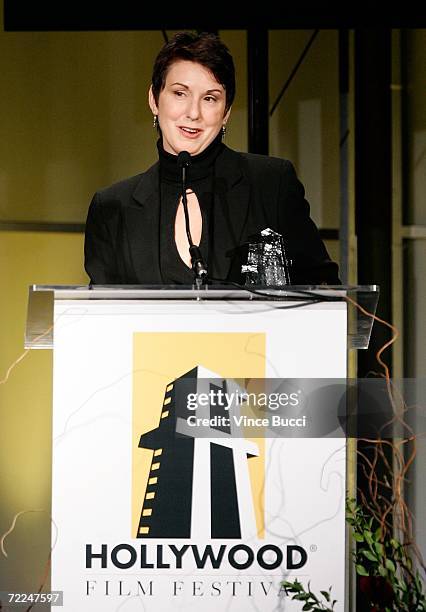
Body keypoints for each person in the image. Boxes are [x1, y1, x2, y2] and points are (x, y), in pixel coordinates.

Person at [84, 31, 339, 286]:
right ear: (154, 99)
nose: (193, 113)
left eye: (209, 98)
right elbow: (102, 317)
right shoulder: (111, 209)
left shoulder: (272, 184)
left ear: (226, 111)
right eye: (180, 93)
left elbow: (325, 292)